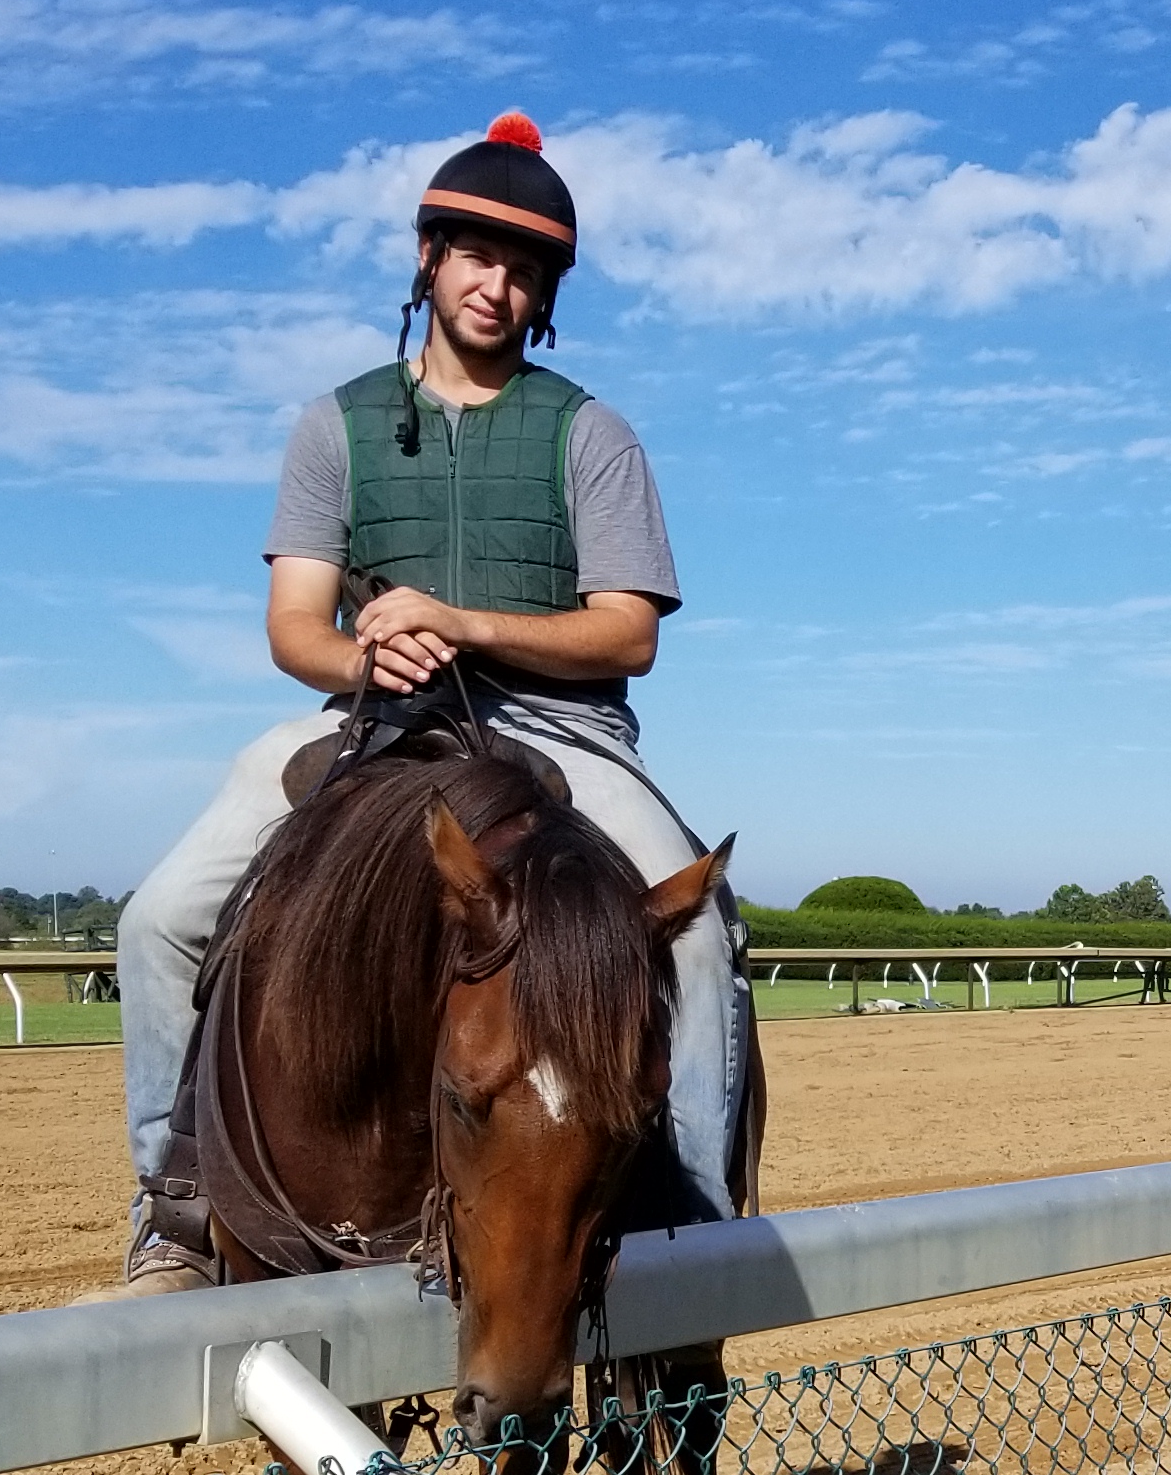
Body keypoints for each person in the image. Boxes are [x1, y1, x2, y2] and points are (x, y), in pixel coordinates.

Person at [112, 112, 749, 1290]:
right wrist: (364, 658)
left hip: (561, 732)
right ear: (429, 259)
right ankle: (176, 1203)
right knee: (155, 920)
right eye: (476, 257)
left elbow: (630, 633)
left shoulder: (592, 434)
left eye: (523, 271)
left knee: (699, 938)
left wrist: (465, 623)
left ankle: (697, 1232)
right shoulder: (335, 425)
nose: (495, 287)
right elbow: (294, 629)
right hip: (377, 723)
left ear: (544, 294)